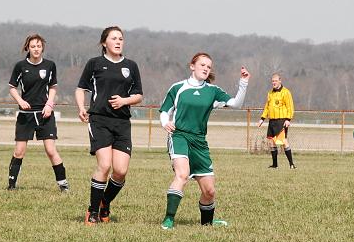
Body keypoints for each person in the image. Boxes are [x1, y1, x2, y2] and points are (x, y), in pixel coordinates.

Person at [159, 53, 250, 230]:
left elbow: (235, 103)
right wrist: (165, 122)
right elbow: (164, 110)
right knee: (182, 175)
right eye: (202, 65)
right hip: (179, 136)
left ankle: (207, 223)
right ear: (192, 66)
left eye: (209, 67)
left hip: (199, 142)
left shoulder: (212, 91)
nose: (206, 69)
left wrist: (243, 83)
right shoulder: (178, 88)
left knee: (209, 191)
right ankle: (168, 219)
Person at [76, 26, 143, 224]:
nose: (118, 41)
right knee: (104, 165)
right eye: (113, 38)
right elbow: (81, 89)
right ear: (104, 42)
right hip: (99, 120)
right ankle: (93, 211)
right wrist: (81, 107)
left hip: (122, 122)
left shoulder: (131, 66)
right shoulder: (95, 63)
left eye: (120, 38)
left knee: (120, 171)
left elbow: (138, 95)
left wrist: (124, 101)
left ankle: (104, 202)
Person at [7, 33, 69, 192]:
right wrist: (20, 101)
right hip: (25, 115)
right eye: (33, 46)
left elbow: (53, 87)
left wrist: (49, 104)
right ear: (28, 47)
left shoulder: (50, 65)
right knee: (19, 151)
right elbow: (12, 88)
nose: (36, 49)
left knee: (50, 150)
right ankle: (11, 185)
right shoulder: (20, 66)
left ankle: (64, 186)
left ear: (43, 48)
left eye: (39, 46)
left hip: (45, 114)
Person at [257, 73, 296, 169]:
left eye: (275, 81)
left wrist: (288, 119)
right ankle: (275, 165)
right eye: (272, 81)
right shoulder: (270, 93)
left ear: (280, 81)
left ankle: (291, 164)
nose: (273, 83)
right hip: (272, 121)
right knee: (271, 142)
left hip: (281, 120)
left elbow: (290, 107)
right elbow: (267, 107)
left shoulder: (286, 92)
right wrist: (262, 118)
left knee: (283, 141)